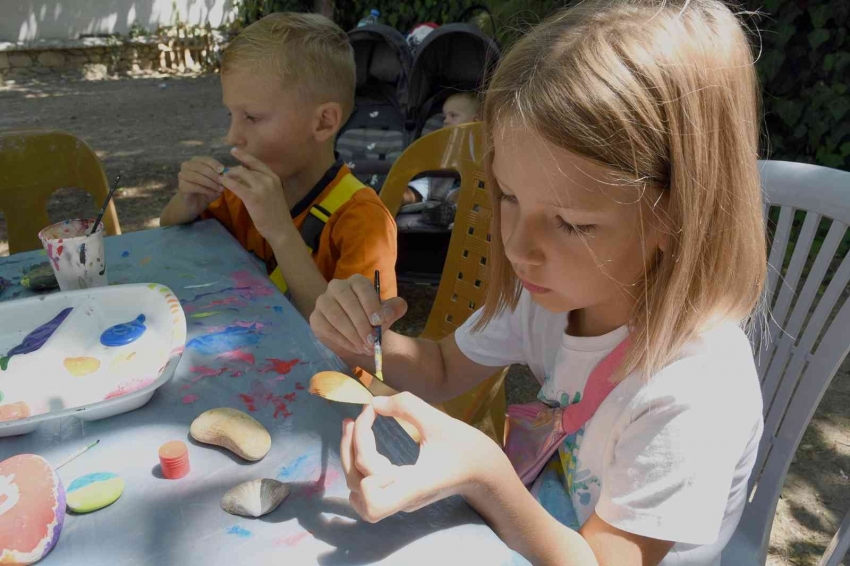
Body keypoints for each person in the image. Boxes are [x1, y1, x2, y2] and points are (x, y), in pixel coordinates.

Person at [309, 0, 767, 564]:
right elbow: (444, 369)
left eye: (571, 223)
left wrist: (484, 476)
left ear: (678, 215)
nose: (519, 248)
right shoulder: (554, 295)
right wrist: (362, 338)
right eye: (508, 196)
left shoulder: (693, 389)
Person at [159, 13, 398, 318]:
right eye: (230, 115)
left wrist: (281, 232)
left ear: (323, 122)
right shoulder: (244, 193)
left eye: (252, 118)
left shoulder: (364, 223)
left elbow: (357, 340)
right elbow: (168, 233)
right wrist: (187, 202)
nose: (232, 136)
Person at [402, 92, 480, 206]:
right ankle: (385, 206)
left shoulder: (479, 141)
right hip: (432, 180)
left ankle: (445, 212)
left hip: (460, 184)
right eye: (444, 117)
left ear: (475, 121)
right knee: (404, 192)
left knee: (465, 196)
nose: (445, 121)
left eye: (453, 116)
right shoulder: (438, 137)